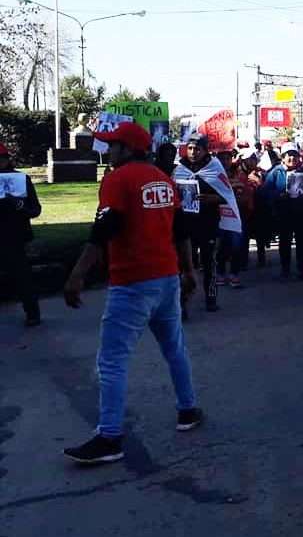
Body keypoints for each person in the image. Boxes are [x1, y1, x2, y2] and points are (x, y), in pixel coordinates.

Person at [62, 122, 202, 464]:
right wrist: (188, 270)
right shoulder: (164, 180)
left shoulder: (118, 179)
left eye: (112, 147)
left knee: (112, 359)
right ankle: (188, 410)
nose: (108, 152)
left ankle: (110, 436)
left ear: (127, 149)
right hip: (167, 277)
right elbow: (181, 230)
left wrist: (77, 275)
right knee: (174, 348)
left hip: (132, 282)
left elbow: (104, 229)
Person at [173, 133, 229, 315]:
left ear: (205, 150)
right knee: (184, 265)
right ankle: (183, 303)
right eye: (190, 148)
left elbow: (226, 197)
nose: (193, 152)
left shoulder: (215, 168)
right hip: (185, 225)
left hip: (208, 224)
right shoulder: (179, 168)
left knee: (209, 263)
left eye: (197, 149)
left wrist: (210, 198)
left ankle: (211, 298)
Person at [0, 143, 43, 326]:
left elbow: (35, 210)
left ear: (7, 159)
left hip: (15, 237)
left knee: (22, 276)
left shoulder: (21, 179)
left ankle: (32, 313)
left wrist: (20, 206)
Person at [264, 143, 303, 280]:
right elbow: (264, 191)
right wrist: (278, 195)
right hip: (283, 213)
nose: (292, 158)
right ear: (283, 157)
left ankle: (302, 269)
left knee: (302, 242)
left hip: (301, 213)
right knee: (285, 242)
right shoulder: (275, 172)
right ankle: (285, 269)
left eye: (294, 155)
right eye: (288, 155)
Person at [216, 148, 258, 287]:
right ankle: (220, 273)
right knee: (222, 247)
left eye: (228, 159)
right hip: (220, 217)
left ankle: (234, 274)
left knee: (236, 247)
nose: (225, 162)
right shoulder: (213, 175)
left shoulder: (239, 174)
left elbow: (245, 194)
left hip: (237, 216)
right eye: (222, 159)